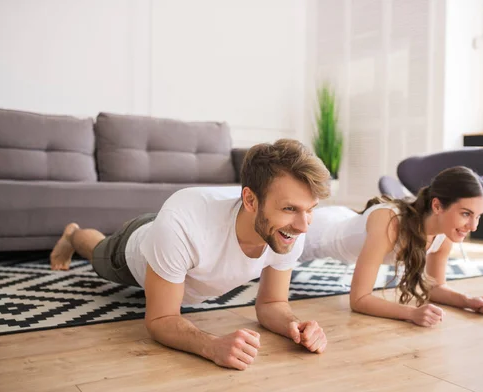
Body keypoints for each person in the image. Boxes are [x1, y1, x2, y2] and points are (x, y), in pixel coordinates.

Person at [50, 139, 331, 370]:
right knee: (99, 251)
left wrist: (294, 325)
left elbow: (271, 303)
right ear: (250, 200)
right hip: (135, 250)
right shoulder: (183, 224)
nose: (304, 225)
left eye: (311, 209)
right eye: (290, 209)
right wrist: (212, 346)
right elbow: (160, 320)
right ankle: (73, 234)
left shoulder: (289, 231)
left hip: (172, 236)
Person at [299, 166, 483, 327]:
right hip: (315, 232)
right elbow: (359, 299)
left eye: (478, 216)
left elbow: (435, 287)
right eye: (466, 214)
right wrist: (411, 313)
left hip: (345, 219)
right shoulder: (390, 222)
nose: (474, 226)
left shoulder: (445, 234)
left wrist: (467, 301)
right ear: (437, 206)